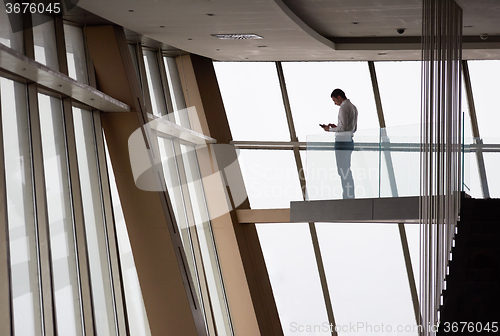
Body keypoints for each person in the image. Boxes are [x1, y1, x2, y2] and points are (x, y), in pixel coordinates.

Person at [320, 89, 358, 199]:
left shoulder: (343, 107)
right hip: (349, 140)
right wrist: (335, 127)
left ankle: (347, 196)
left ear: (339, 97)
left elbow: (342, 128)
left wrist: (329, 130)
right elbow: (351, 128)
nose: (335, 103)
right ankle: (349, 195)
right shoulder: (353, 107)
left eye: (334, 100)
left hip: (342, 142)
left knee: (342, 170)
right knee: (346, 169)